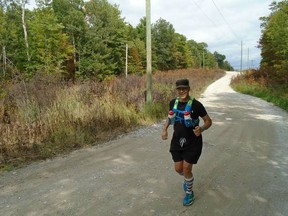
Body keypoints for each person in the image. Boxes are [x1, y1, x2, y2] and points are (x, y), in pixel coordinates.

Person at [161, 78, 212, 206]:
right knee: (179, 169)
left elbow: (208, 121)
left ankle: (189, 193)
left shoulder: (196, 105)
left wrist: (201, 128)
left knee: (187, 168)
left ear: (189, 89)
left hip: (193, 142)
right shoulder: (173, 102)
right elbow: (170, 117)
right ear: (177, 90)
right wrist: (164, 129)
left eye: (184, 88)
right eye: (179, 89)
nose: (182, 90)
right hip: (177, 141)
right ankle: (187, 179)